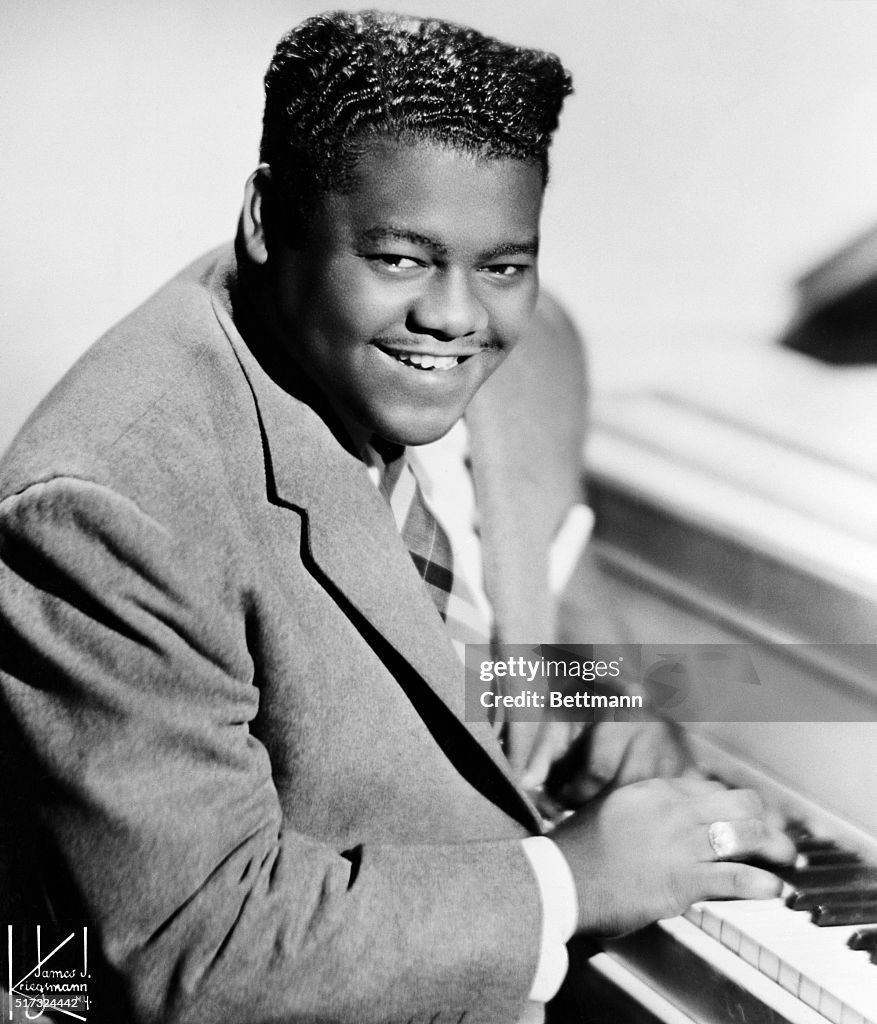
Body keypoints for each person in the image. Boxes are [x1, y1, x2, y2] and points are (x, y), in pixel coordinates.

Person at [0, 11, 794, 1024]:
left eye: (503, 265)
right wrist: (570, 883)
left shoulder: (535, 355)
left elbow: (521, 644)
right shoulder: (109, 506)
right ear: (264, 220)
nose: (458, 317)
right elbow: (196, 952)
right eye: (400, 257)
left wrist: (616, 716)